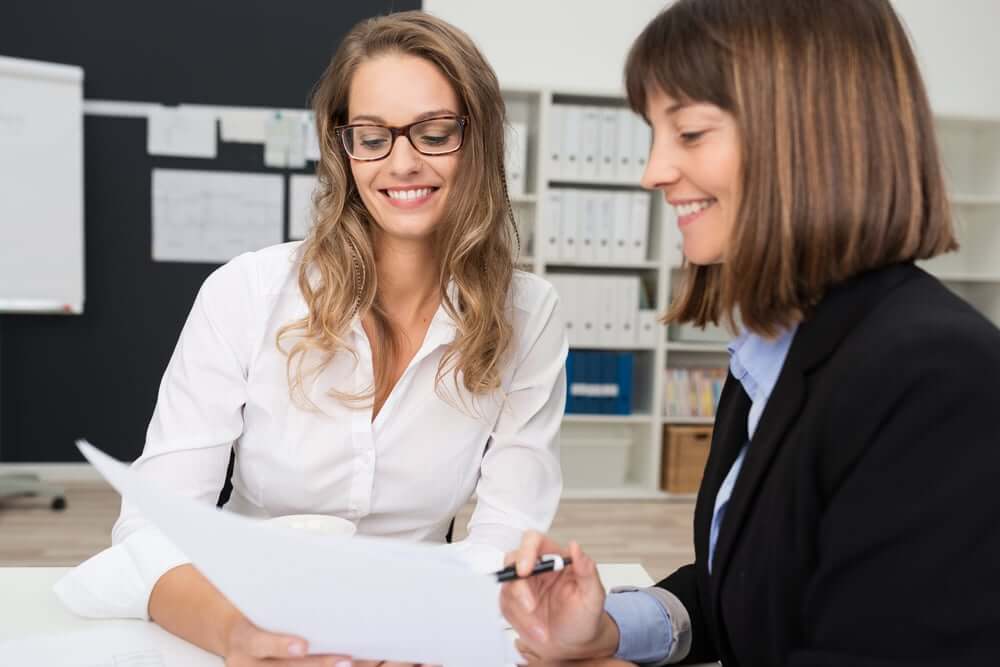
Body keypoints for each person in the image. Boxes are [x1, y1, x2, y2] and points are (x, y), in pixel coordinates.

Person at [55, 10, 567, 665]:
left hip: (420, 626)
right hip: (240, 618)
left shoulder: (530, 313)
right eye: (372, 136)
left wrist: (416, 628)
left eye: (435, 132)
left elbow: (507, 534)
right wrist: (242, 638)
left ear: (481, 138)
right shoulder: (246, 291)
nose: (402, 162)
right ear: (342, 148)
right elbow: (152, 526)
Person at [500, 1, 1000, 665]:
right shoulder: (775, 351)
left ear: (809, 134)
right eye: (655, 134)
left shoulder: (937, 377)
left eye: (690, 133)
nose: (653, 171)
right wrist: (610, 629)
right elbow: (749, 590)